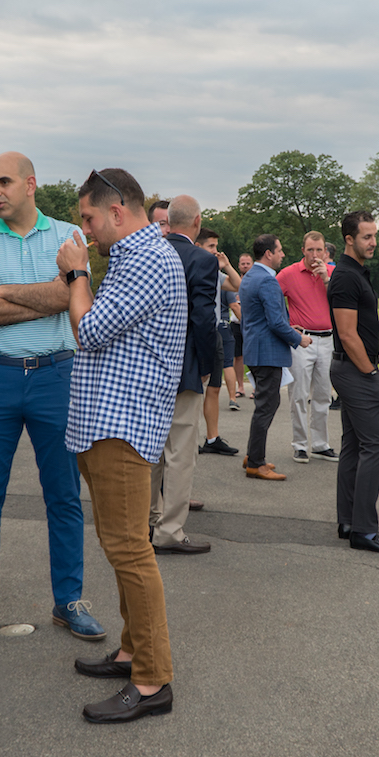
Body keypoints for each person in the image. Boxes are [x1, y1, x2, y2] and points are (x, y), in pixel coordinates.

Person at [0, 152, 105, 646]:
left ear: (30, 184)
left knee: (64, 495)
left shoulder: (68, 236)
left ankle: (69, 600)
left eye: (4, 182)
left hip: (56, 376)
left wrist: (1, 292)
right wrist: (42, 295)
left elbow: (67, 298)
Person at [60, 167, 184, 724]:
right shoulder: (137, 257)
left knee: (130, 550)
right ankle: (134, 651)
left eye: (88, 218)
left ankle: (152, 680)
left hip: (122, 427)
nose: (85, 230)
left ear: (116, 211)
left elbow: (88, 329)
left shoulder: (147, 260)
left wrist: (75, 274)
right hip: (108, 424)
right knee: (122, 546)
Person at [333, 212, 379, 553]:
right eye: (366, 236)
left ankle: (349, 521)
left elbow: (355, 325)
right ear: (349, 239)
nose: (373, 242)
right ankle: (363, 530)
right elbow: (346, 335)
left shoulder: (358, 272)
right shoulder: (346, 276)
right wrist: (371, 374)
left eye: (375, 235)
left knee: (354, 445)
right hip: (354, 371)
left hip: (351, 369)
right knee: (376, 446)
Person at [148, 195, 215, 556]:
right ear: (197, 222)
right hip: (184, 364)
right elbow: (203, 318)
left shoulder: (150, 254)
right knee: (180, 452)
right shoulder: (201, 259)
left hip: (148, 364)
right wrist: (205, 365)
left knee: (152, 450)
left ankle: (149, 517)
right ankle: (170, 530)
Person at [239, 234, 312, 481]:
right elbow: (275, 323)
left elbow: (261, 318)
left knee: (264, 406)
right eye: (279, 250)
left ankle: (253, 455)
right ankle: (255, 463)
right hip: (267, 353)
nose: (283, 254)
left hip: (256, 350)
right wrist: (298, 338)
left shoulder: (250, 276)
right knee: (266, 407)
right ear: (268, 253)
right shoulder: (267, 280)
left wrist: (290, 329)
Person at [277, 232, 338, 464]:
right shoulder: (289, 274)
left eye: (319, 250)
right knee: (299, 395)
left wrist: (326, 280)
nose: (314, 255)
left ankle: (321, 445)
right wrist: (286, 325)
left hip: (328, 339)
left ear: (326, 252)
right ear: (303, 250)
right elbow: (271, 299)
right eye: (310, 250)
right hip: (302, 340)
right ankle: (300, 445)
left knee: (323, 395)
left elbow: (342, 301)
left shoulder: (333, 273)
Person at [196, 227, 242, 457]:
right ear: (198, 247)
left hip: (214, 334)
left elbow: (237, 285)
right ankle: (187, 439)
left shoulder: (214, 272)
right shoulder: (190, 269)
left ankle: (212, 438)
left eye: (216, 246)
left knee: (214, 388)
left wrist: (226, 266)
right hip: (196, 334)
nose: (216, 251)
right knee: (193, 390)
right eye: (211, 246)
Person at [230, 253, 253, 399]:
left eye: (248, 263)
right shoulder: (233, 282)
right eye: (242, 263)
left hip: (252, 324)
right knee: (237, 357)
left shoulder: (255, 281)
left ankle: (256, 387)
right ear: (238, 265)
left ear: (252, 265)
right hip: (236, 324)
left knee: (253, 356)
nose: (245, 266)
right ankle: (240, 387)